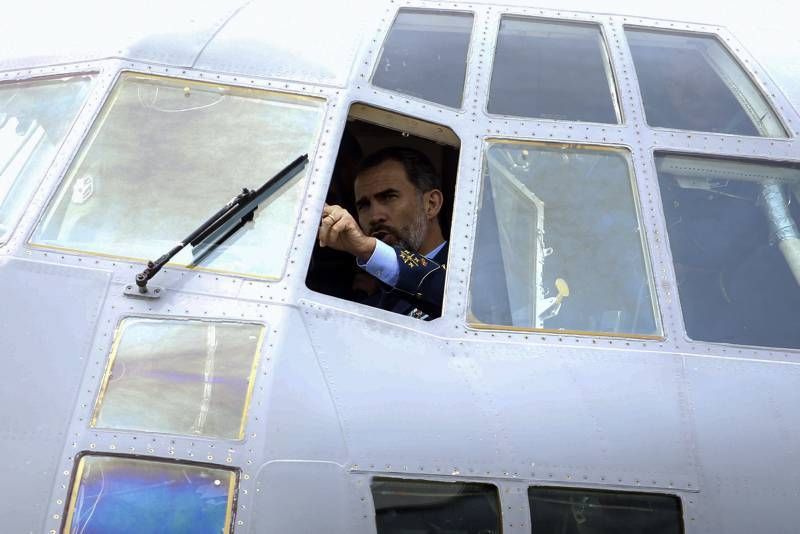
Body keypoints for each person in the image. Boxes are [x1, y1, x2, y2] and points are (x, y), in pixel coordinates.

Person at [317, 147, 447, 320]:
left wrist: (369, 250)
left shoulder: (473, 275)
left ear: (431, 204)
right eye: (364, 205)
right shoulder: (373, 299)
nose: (374, 216)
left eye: (389, 197)